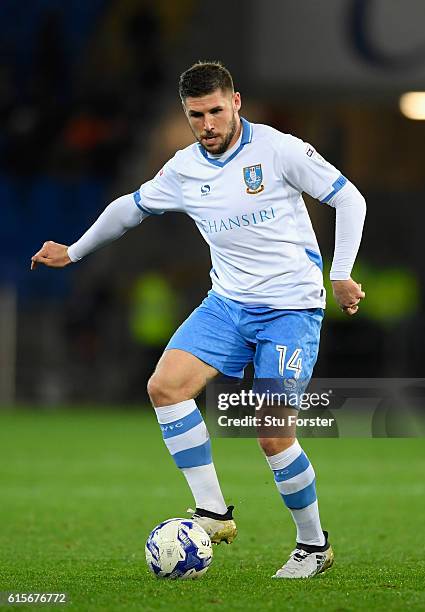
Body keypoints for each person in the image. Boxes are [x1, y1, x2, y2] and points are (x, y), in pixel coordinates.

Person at [31, 61, 366, 579]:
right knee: (165, 387)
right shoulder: (184, 168)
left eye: (215, 110)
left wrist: (340, 273)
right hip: (227, 305)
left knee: (271, 431)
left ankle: (313, 546)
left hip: (290, 306)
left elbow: (348, 197)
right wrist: (74, 252)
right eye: (196, 115)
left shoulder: (278, 150)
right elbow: (130, 206)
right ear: (186, 115)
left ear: (236, 103)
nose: (207, 124)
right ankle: (213, 511)